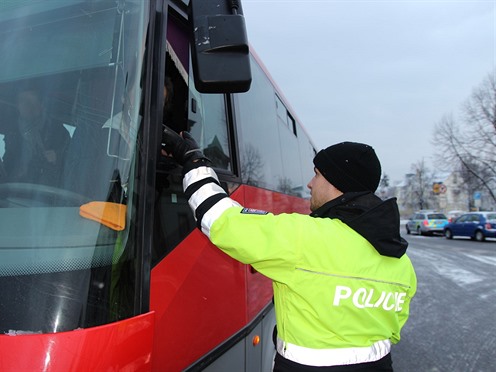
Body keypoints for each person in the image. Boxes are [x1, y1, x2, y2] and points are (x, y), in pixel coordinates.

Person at [161, 127, 417, 372]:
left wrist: (193, 160)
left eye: (317, 174)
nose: (309, 184)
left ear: (337, 183)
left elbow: (219, 220)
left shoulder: (307, 238)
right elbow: (393, 327)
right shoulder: (401, 261)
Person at [3, 87, 70, 186]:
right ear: (17, 106)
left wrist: (58, 157)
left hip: (48, 194)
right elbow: (5, 168)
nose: (27, 105)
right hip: (14, 192)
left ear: (41, 104)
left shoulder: (58, 131)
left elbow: (72, 163)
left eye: (31, 100)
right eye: (23, 101)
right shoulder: (12, 133)